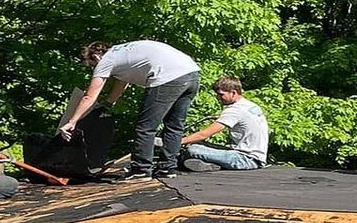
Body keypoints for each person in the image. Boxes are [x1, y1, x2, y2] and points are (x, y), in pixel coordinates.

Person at [59, 40, 200, 177]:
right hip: (192, 74)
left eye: (92, 65)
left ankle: (141, 170)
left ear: (96, 57)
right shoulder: (122, 53)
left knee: (145, 127)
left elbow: (90, 97)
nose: (94, 68)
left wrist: (72, 121)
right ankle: (167, 169)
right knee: (174, 126)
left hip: (167, 77)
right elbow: (123, 81)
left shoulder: (106, 61)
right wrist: (108, 103)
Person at [180, 77, 269, 171]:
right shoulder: (250, 105)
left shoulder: (235, 110)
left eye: (221, 94)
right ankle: (211, 165)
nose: (218, 98)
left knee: (193, 149)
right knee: (198, 144)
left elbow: (204, 134)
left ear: (233, 93)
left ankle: (210, 163)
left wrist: (178, 142)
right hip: (256, 157)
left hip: (246, 159)